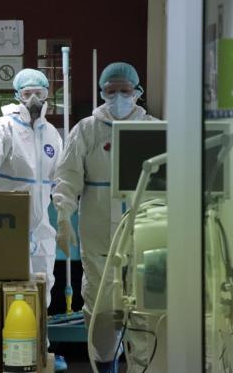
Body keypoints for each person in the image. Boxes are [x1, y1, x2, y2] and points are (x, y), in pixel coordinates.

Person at [52, 62, 156, 373]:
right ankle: (105, 366)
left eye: (125, 90)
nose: (119, 97)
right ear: (102, 93)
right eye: (112, 91)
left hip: (144, 233)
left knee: (144, 308)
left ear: (137, 92)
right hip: (99, 236)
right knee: (100, 308)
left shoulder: (153, 128)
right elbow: (68, 178)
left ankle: (142, 366)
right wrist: (63, 217)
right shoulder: (87, 129)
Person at [0, 68, 62, 303]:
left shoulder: (51, 133)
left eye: (39, 93)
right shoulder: (4, 127)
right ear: (17, 96)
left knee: (43, 286)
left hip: (40, 227)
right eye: (27, 94)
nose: (33, 100)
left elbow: (59, 178)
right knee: (9, 288)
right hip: (5, 225)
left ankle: (40, 328)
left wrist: (64, 216)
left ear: (47, 95)